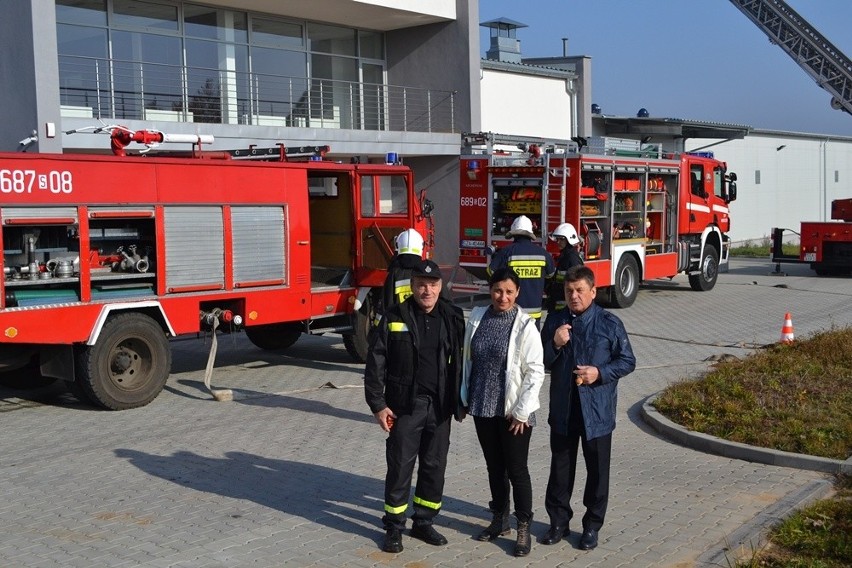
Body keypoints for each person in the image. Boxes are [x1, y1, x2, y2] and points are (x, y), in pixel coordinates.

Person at [364, 259, 466, 554]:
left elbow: (464, 361)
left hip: (441, 406)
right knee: (400, 467)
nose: (427, 290)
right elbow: (375, 362)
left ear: (439, 287)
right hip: (405, 406)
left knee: (434, 466)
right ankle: (394, 527)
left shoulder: (451, 316)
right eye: (421, 284)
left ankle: (423, 522)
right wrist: (378, 405)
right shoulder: (395, 315)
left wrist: (462, 399)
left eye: (433, 285)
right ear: (412, 286)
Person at [539, 265, 636, 551]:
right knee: (560, 469)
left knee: (597, 472)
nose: (574, 295)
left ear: (593, 291)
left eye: (580, 290)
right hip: (564, 409)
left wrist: (600, 373)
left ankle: (591, 527)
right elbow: (540, 362)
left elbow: (628, 361)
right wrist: (555, 344)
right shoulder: (555, 320)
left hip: (597, 412)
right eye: (569, 291)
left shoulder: (609, 323)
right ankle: (558, 523)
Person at [460, 267, 544, 557]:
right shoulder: (478, 317)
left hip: (514, 412)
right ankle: (499, 520)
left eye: (509, 291)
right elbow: (467, 360)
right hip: (483, 405)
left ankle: (523, 525)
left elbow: (535, 372)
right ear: (490, 290)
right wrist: (463, 396)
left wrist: (522, 412)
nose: (503, 296)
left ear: (517, 292)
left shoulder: (524, 325)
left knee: (517, 470)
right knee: (494, 467)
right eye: (498, 290)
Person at [489, 215, 556, 325]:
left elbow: (491, 272)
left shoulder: (507, 252)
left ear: (514, 233)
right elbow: (551, 274)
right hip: (535, 315)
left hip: (511, 313)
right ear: (530, 234)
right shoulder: (543, 254)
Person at [375, 228, 424, 325]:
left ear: (397, 246)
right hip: (423, 329)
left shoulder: (394, 274)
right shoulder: (428, 272)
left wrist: (377, 333)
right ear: (421, 247)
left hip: (399, 333)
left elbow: (386, 304)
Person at [546, 223, 584, 313]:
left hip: (566, 309)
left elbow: (577, 283)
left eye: (561, 239)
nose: (558, 242)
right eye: (557, 239)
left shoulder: (572, 259)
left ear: (569, 240)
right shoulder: (565, 256)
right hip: (559, 306)